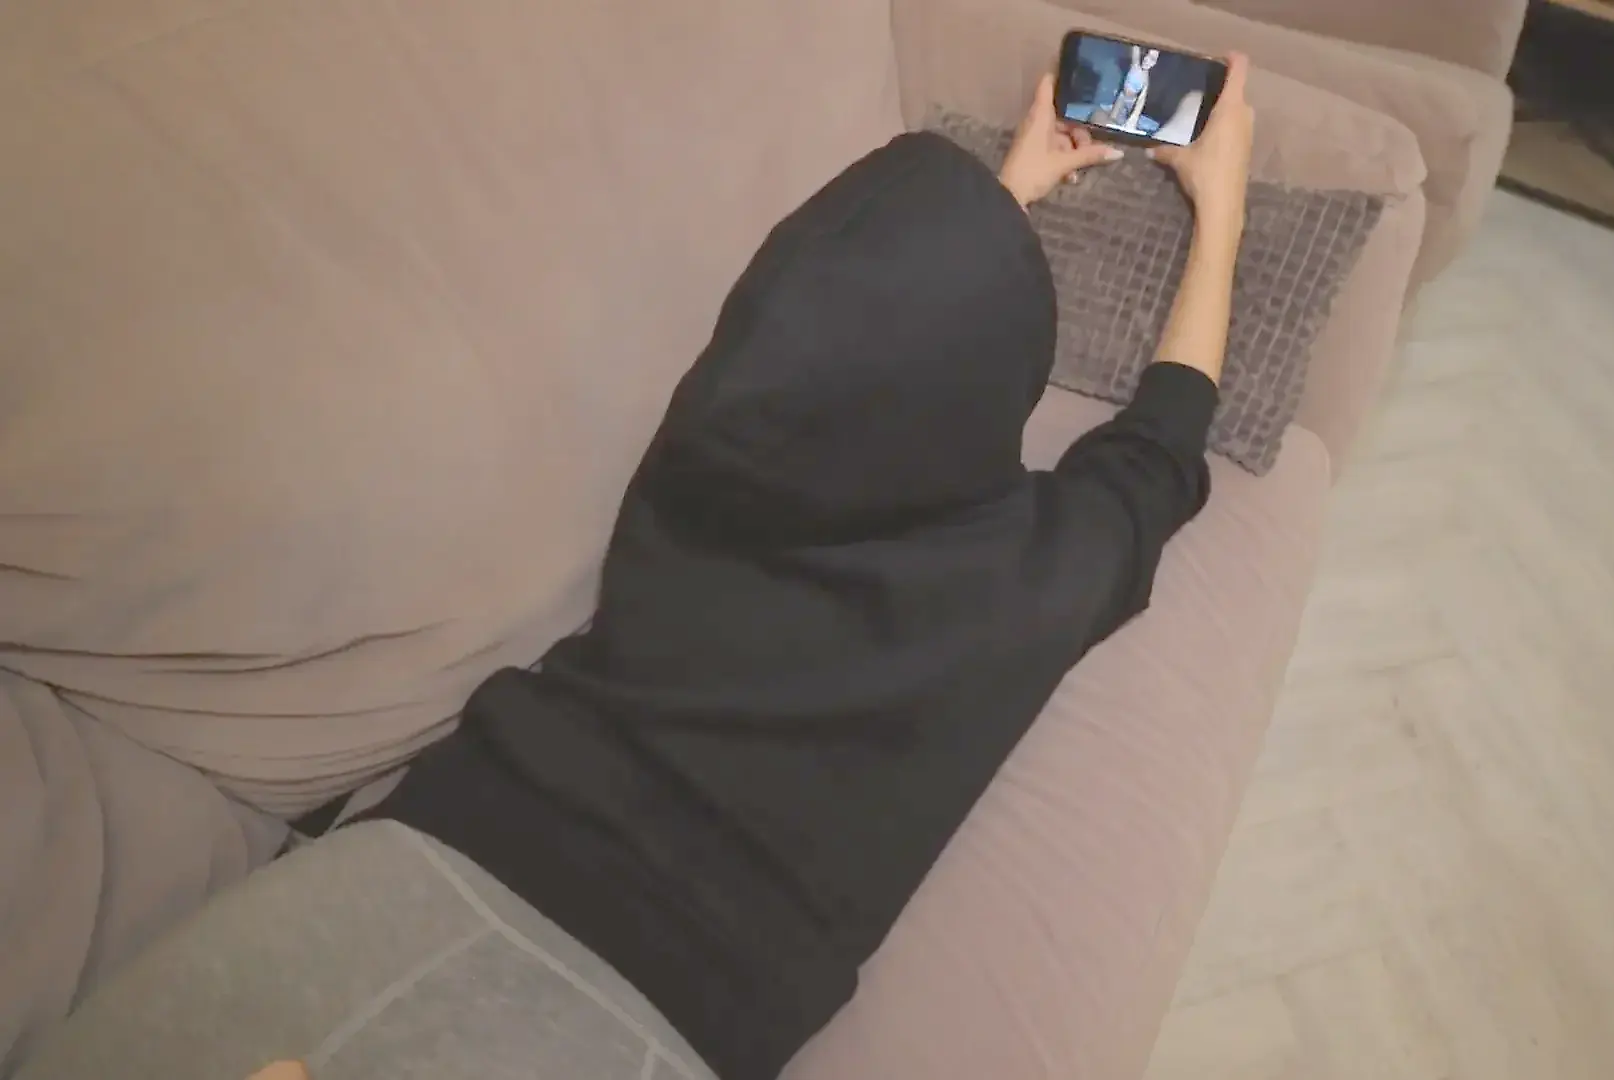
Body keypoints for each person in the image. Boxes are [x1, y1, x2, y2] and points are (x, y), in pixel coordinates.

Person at [343, 53, 1257, 1080]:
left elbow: (844, 324)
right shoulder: (1027, 578)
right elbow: (1161, 446)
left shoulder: (722, 426)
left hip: (439, 837)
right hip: (665, 1003)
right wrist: (1221, 214)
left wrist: (991, 206)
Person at [1110, 45, 1159, 132]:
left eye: (1152, 59)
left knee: (1128, 122)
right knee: (1112, 119)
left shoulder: (1146, 79)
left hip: (1132, 103)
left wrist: (1134, 117)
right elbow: (1135, 47)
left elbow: (1142, 99)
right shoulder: (1135, 64)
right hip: (1122, 96)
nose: (1146, 59)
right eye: (1146, 54)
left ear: (1155, 63)